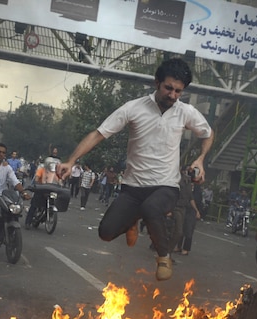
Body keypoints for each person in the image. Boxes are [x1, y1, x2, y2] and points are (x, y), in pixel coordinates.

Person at [56, 58, 213, 281]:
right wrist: (71, 161)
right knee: (106, 232)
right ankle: (132, 221)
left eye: (178, 91)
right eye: (168, 88)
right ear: (157, 83)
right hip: (133, 187)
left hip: (166, 186)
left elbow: (208, 134)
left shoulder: (186, 112)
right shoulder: (134, 108)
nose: (172, 95)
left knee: (151, 208)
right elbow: (98, 134)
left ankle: (164, 257)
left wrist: (201, 159)